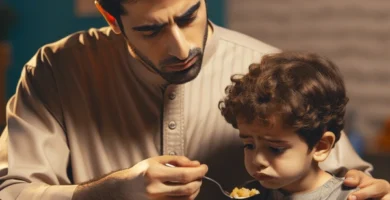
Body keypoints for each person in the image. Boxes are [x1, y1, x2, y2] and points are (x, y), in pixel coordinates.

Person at [0, 0, 389, 199]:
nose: (181, 47)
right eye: (151, 30)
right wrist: (112, 192)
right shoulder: (55, 70)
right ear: (109, 16)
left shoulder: (269, 72)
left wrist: (373, 188)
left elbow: (349, 180)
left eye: (188, 16)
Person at [219, 51, 357, 199]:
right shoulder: (250, 193)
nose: (257, 160)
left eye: (275, 149)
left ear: (320, 147)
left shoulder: (349, 197)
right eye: (249, 145)